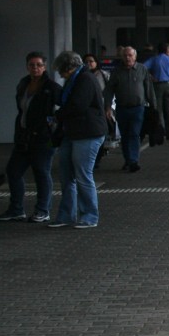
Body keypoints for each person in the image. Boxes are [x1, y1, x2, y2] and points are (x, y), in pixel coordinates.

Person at [0, 52, 61, 223]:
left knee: (41, 172)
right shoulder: (23, 84)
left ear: (44, 66)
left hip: (43, 138)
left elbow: (62, 108)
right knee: (13, 171)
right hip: (23, 137)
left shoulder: (51, 87)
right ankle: (16, 209)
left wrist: (52, 128)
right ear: (27, 66)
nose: (35, 68)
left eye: (39, 65)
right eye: (32, 65)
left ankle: (43, 210)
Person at [49, 51, 106, 229]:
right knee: (66, 175)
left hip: (88, 132)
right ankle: (66, 215)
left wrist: (58, 115)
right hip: (73, 132)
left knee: (83, 174)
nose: (60, 74)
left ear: (68, 67)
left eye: (61, 70)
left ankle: (89, 215)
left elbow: (78, 105)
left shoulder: (85, 79)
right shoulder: (75, 79)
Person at [103, 45, 156, 173]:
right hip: (122, 108)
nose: (128, 58)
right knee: (125, 136)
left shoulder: (142, 69)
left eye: (130, 55)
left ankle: (133, 161)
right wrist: (108, 107)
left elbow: (148, 88)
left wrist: (154, 107)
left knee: (134, 133)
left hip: (138, 108)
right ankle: (128, 159)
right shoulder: (116, 72)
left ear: (135, 56)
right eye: (125, 55)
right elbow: (109, 90)